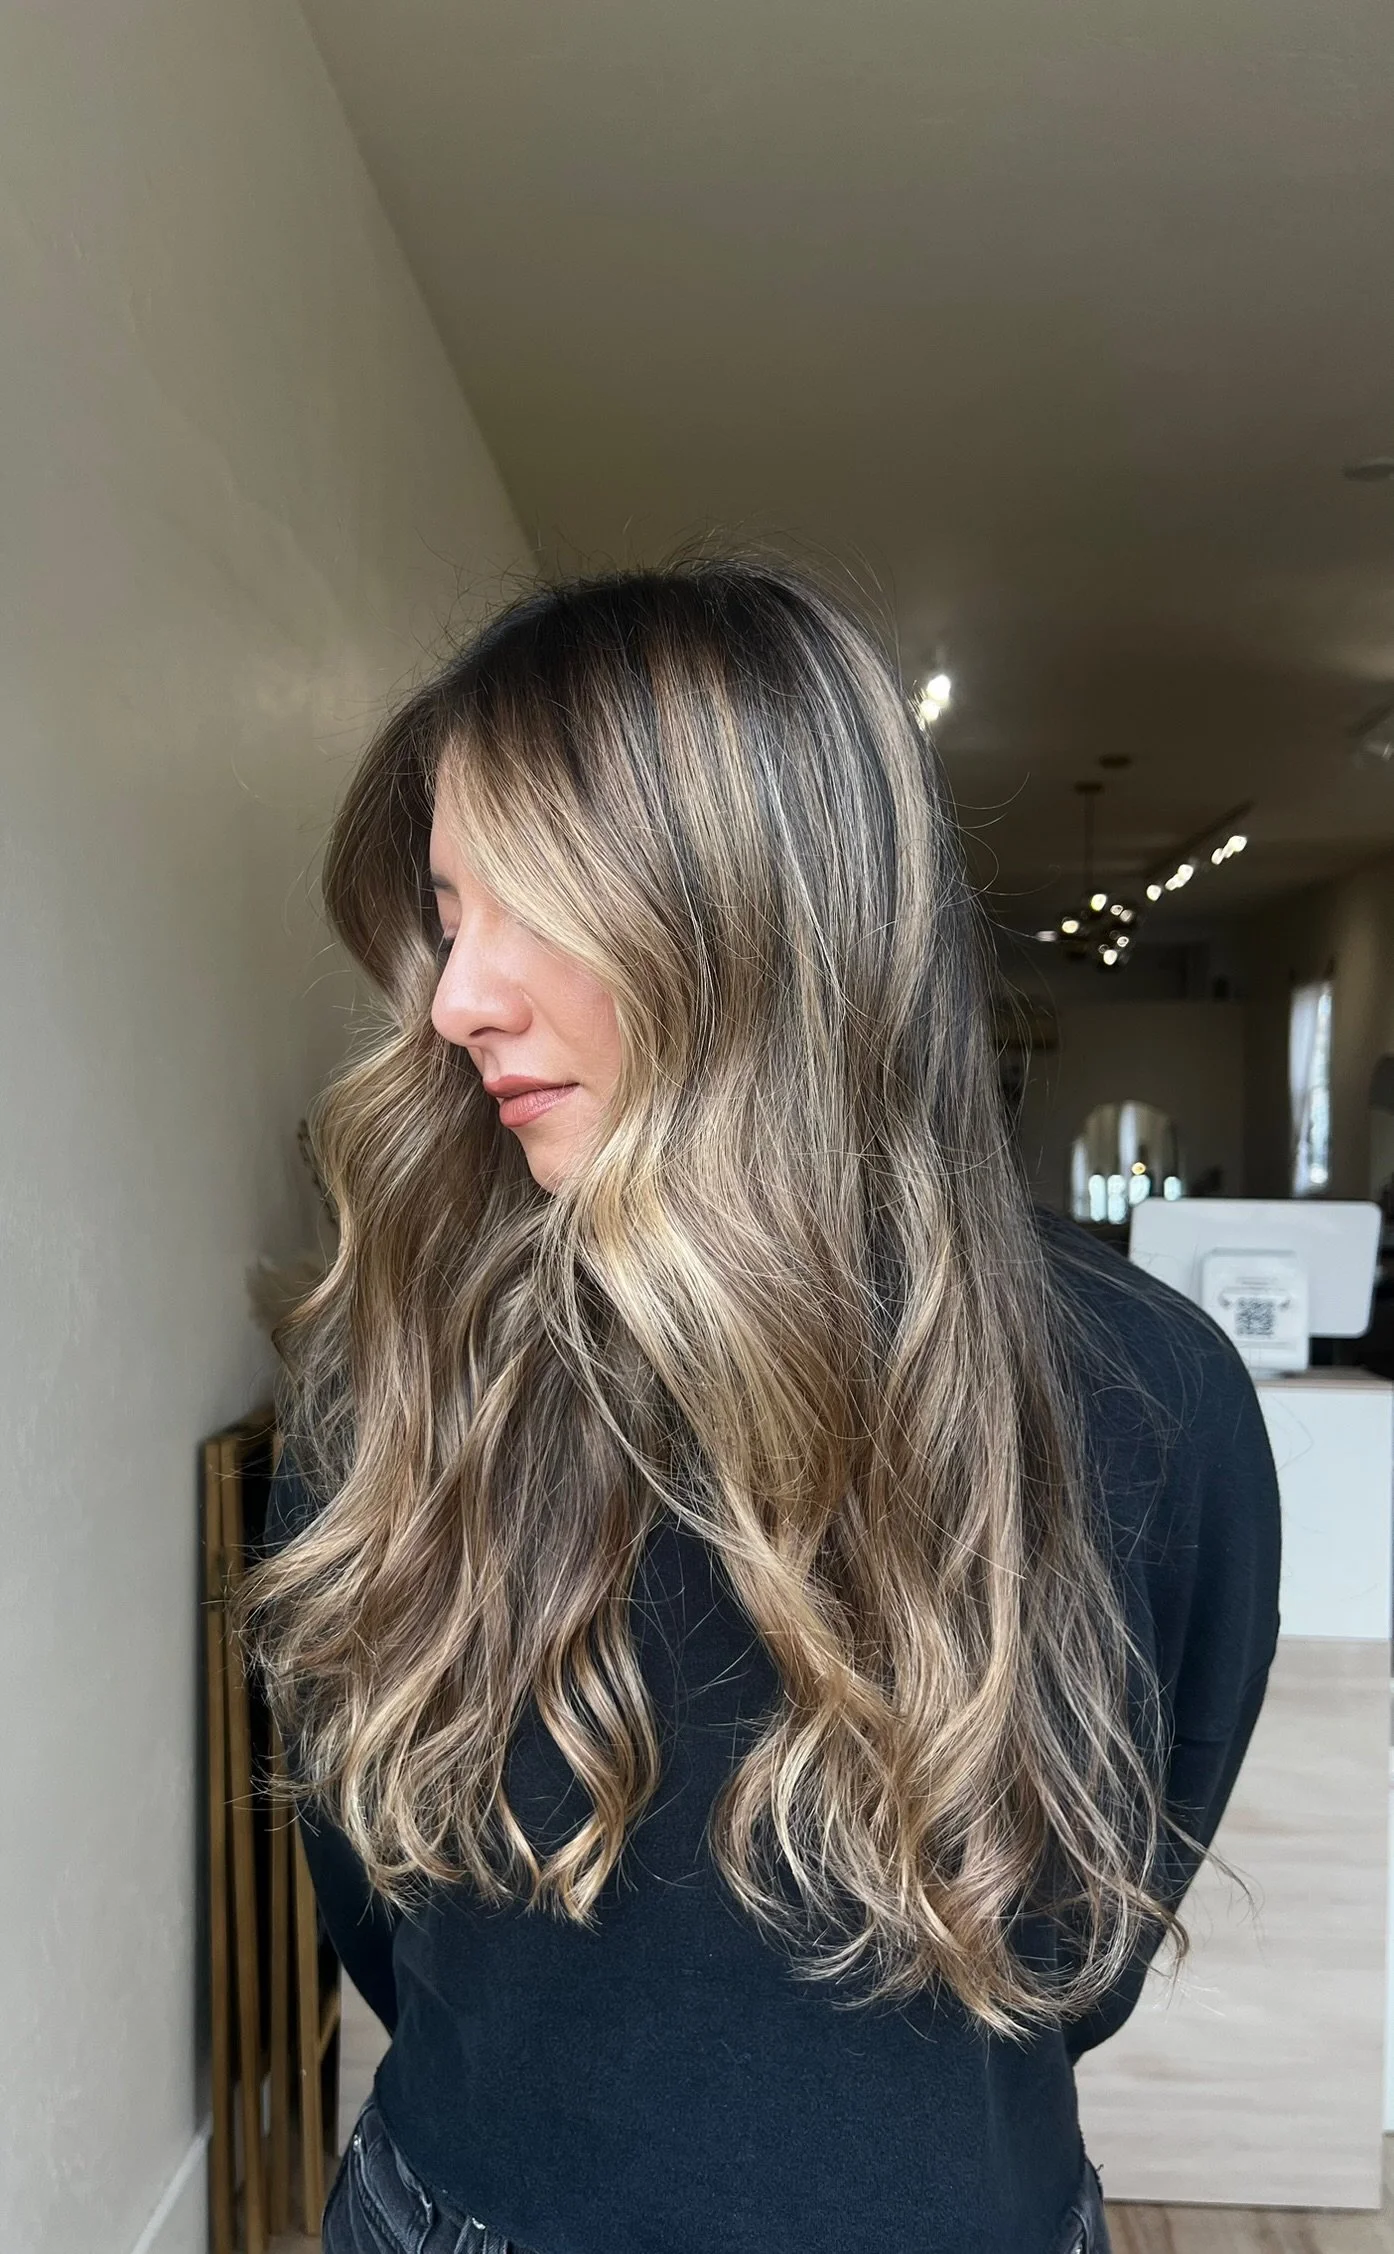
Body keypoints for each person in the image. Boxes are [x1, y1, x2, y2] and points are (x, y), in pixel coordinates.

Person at [241, 557, 1281, 2254]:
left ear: (753, 911)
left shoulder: (1145, 1396)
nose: (453, 1000)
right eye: (448, 913)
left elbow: (1082, 1932)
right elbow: (381, 1896)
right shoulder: (409, 1371)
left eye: (533, 906)